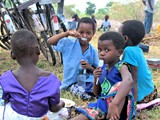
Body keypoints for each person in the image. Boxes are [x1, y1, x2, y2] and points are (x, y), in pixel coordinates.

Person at [0, 29, 67, 119]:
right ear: (38, 50)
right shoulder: (50, 79)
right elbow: (54, 108)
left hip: (14, 118)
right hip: (41, 118)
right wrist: (62, 103)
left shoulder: (6, 78)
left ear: (12, 55)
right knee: (64, 112)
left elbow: (5, 100)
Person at [71, 31, 135, 120]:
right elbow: (96, 93)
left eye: (107, 50)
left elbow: (129, 81)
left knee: (120, 85)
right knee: (83, 115)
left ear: (119, 52)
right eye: (100, 49)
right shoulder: (102, 68)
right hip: (103, 105)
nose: (101, 53)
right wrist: (96, 78)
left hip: (118, 107)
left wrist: (115, 103)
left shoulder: (121, 66)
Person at [48, 17, 99, 100]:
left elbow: (97, 71)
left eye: (88, 33)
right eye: (81, 32)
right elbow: (50, 42)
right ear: (76, 31)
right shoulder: (68, 43)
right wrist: (67, 33)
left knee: (100, 87)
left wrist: (89, 67)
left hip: (87, 81)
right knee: (83, 94)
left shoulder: (93, 51)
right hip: (71, 82)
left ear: (93, 33)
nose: (84, 35)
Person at [118, 20, 158, 104]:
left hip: (143, 97)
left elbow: (133, 79)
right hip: (151, 90)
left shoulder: (128, 51)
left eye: (118, 35)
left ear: (125, 38)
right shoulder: (137, 49)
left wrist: (134, 103)